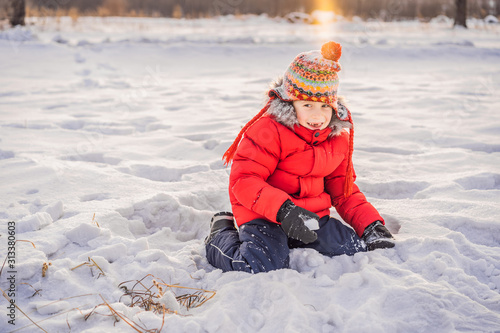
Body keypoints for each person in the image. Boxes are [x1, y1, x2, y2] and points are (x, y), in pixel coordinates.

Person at [205, 41, 395, 273]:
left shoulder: (337, 138)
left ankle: (306, 236)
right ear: (290, 101)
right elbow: (243, 181)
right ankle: (220, 231)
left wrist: (370, 225)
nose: (318, 116)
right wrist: (284, 210)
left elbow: (343, 190)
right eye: (307, 104)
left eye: (325, 106)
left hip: (310, 215)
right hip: (263, 214)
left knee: (352, 247)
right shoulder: (268, 130)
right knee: (261, 264)